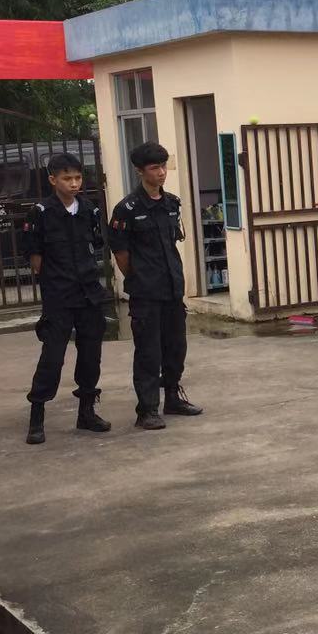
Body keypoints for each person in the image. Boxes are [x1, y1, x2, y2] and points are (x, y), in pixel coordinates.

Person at [107, 142, 203, 430]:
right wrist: (139, 278)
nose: (161, 173)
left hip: (172, 288)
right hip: (146, 292)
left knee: (176, 347)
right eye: (154, 168)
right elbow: (121, 254)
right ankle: (147, 409)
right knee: (149, 352)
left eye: (163, 166)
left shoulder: (172, 203)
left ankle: (173, 397)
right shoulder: (126, 209)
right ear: (140, 171)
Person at [21, 152, 110, 445]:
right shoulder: (41, 213)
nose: (74, 184)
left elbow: (96, 245)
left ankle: (86, 411)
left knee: (90, 355)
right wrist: (55, 282)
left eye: (77, 178)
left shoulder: (88, 209)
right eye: (67, 178)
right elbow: (36, 260)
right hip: (59, 295)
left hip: (89, 293)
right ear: (52, 180)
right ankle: (37, 416)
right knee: (53, 356)